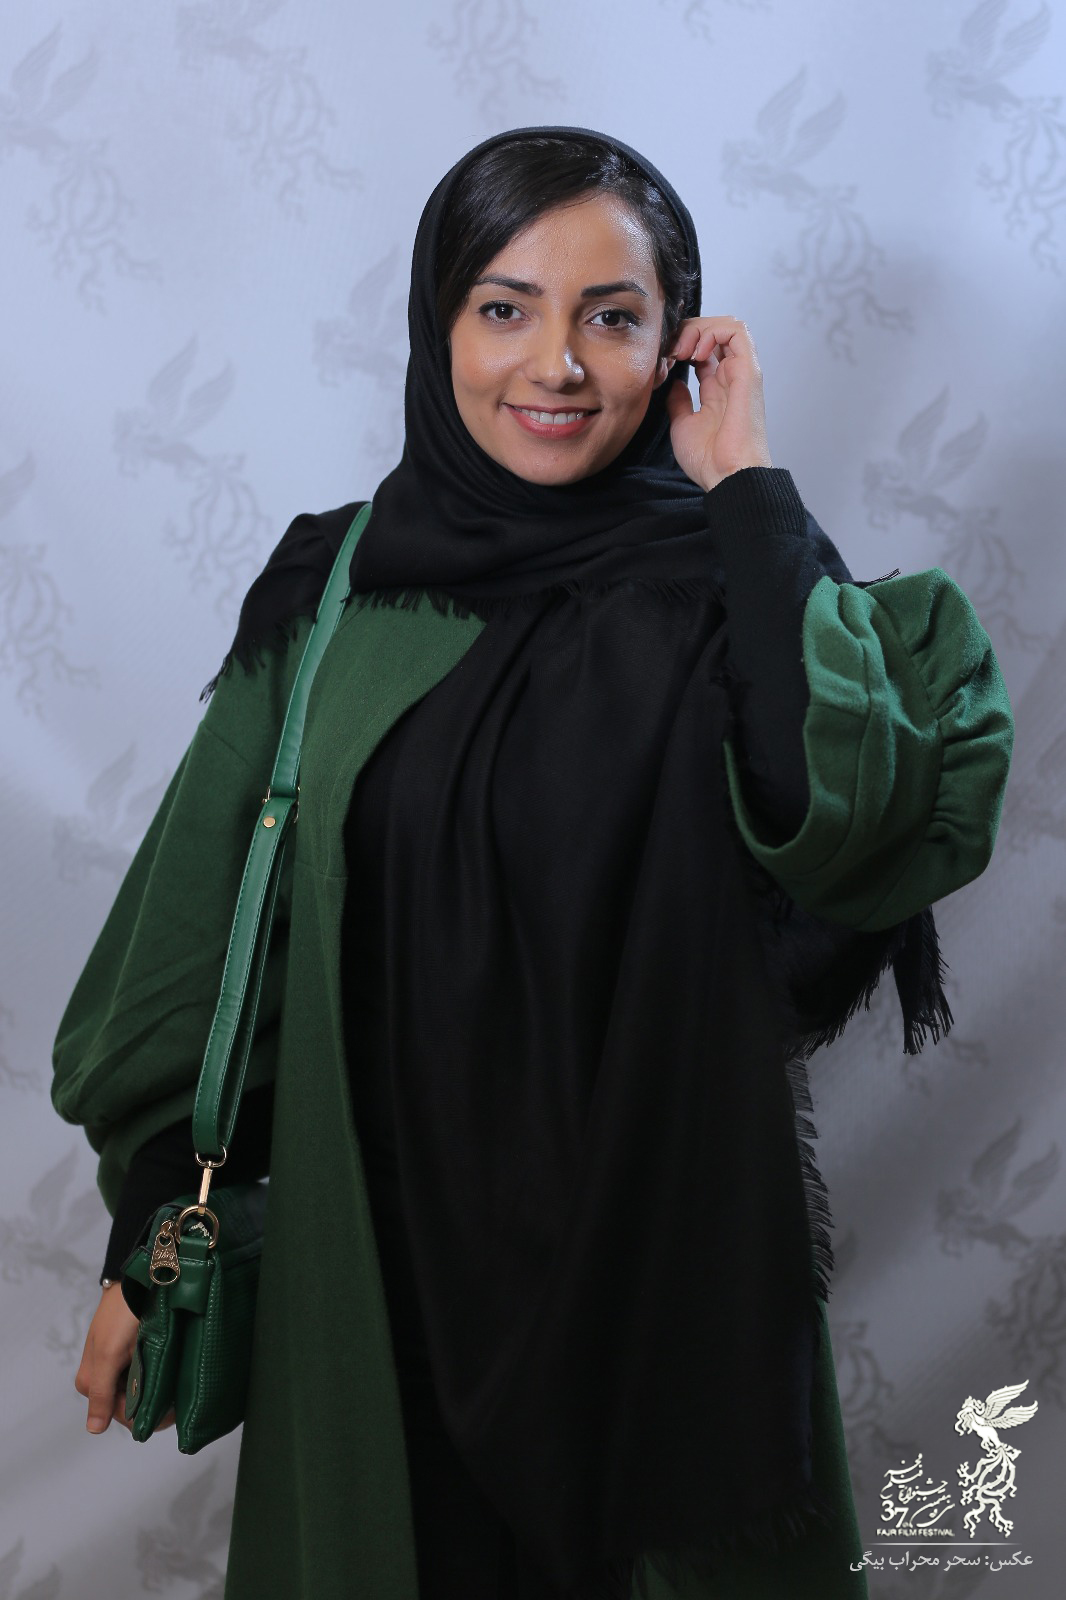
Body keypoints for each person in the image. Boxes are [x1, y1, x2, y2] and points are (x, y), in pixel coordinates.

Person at [53, 125, 1014, 1600]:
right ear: (439, 322)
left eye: (610, 317)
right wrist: (153, 1238)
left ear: (675, 342)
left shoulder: (739, 584)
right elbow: (198, 939)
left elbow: (852, 831)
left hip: (663, 1288)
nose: (555, 363)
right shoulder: (338, 591)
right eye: (504, 307)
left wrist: (744, 484)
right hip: (374, 1284)